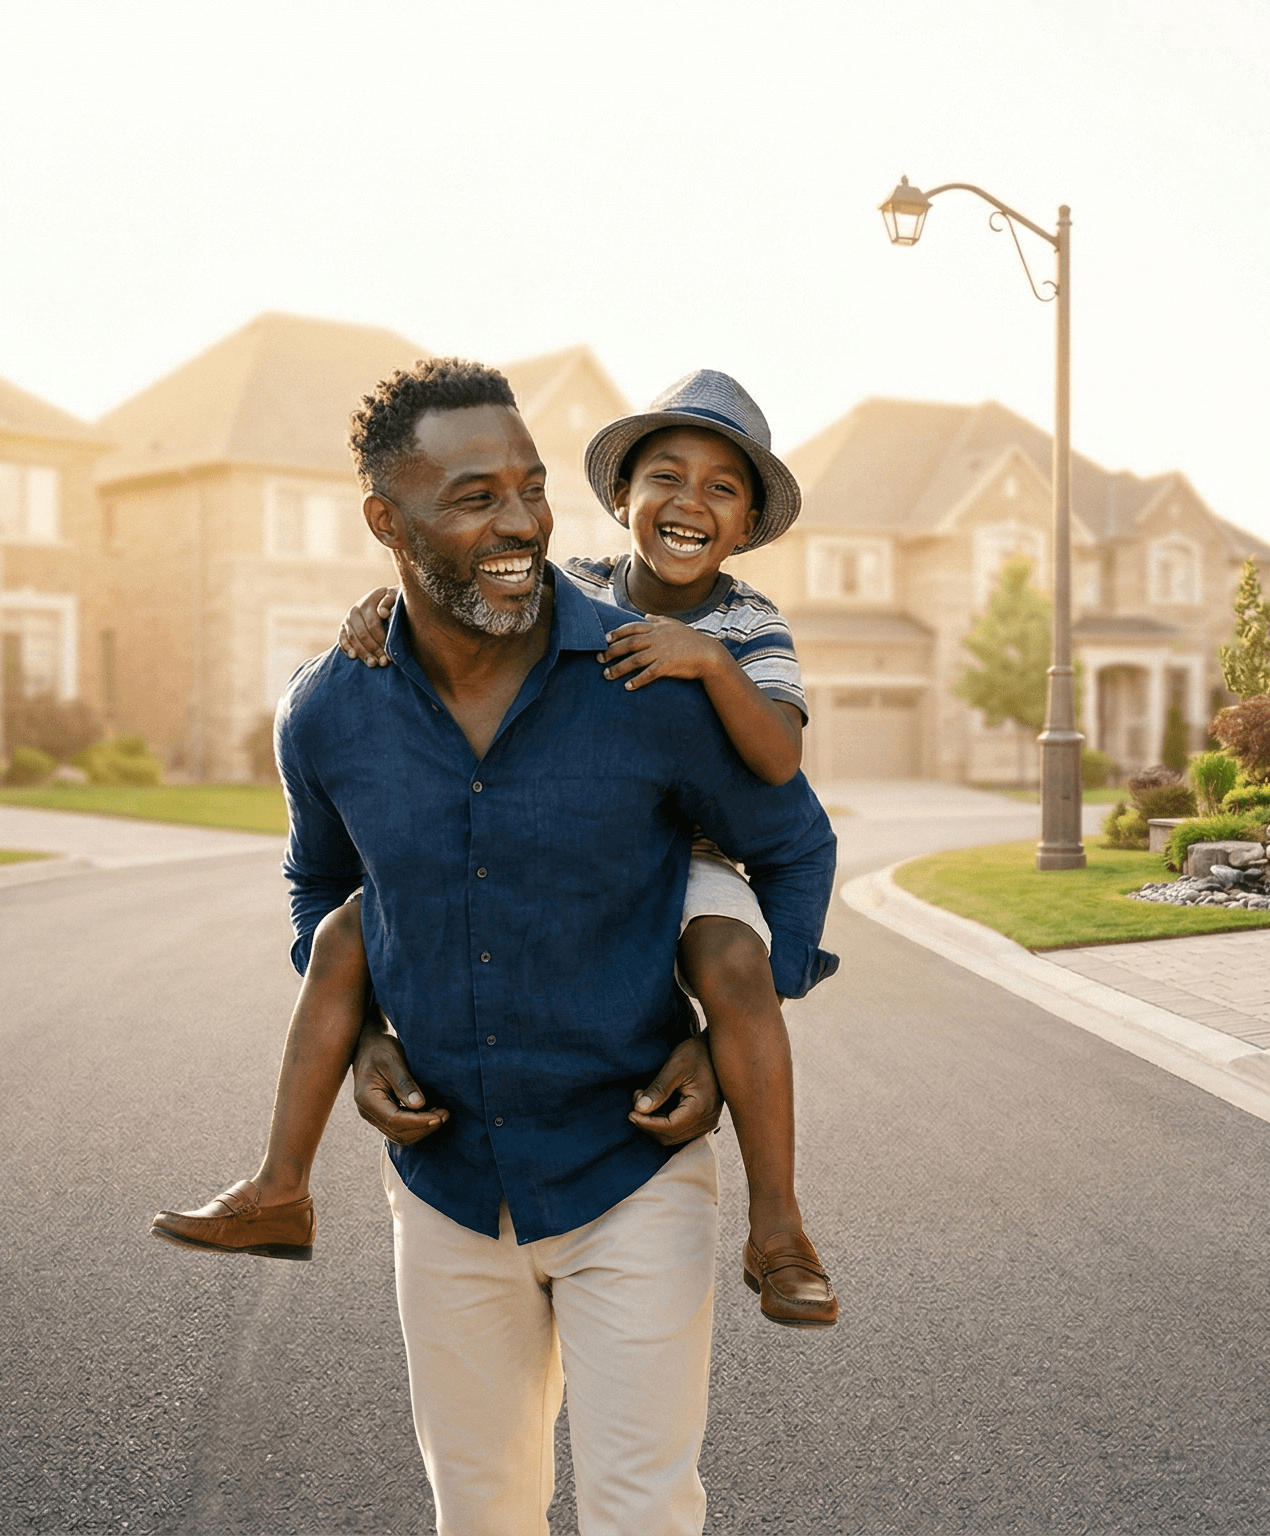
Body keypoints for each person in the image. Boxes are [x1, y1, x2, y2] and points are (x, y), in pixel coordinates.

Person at [163, 359, 836, 1534]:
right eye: (476, 498)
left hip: (632, 1168)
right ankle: (280, 1190)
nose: (521, 521)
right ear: (388, 522)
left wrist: (742, 1021)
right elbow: (319, 887)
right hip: (448, 1188)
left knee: (641, 1512)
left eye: (529, 489)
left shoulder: (657, 677)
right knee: (479, 1514)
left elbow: (790, 842)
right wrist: (362, 1034)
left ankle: (781, 1228)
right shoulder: (330, 707)